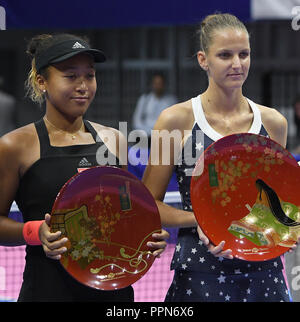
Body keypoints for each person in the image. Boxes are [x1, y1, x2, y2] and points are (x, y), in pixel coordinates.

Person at [0, 33, 169, 302]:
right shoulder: (14, 146)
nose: (83, 86)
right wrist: (32, 232)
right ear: (41, 81)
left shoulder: (115, 140)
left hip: (113, 294)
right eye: (70, 76)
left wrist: (146, 236)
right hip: (47, 292)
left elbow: (123, 214)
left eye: (89, 76)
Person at [142, 13, 292, 302]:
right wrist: (201, 221)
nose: (237, 64)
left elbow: (277, 204)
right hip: (199, 276)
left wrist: (285, 227)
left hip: (265, 275)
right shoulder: (175, 120)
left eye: (244, 54)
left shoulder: (274, 123)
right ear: (203, 60)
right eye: (225, 55)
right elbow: (148, 206)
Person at [132, 73, 177, 140]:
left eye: (160, 84)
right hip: (146, 136)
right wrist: (147, 132)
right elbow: (137, 120)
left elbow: (176, 120)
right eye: (156, 83)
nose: (158, 86)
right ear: (152, 85)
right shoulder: (144, 100)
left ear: (164, 85)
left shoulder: (171, 101)